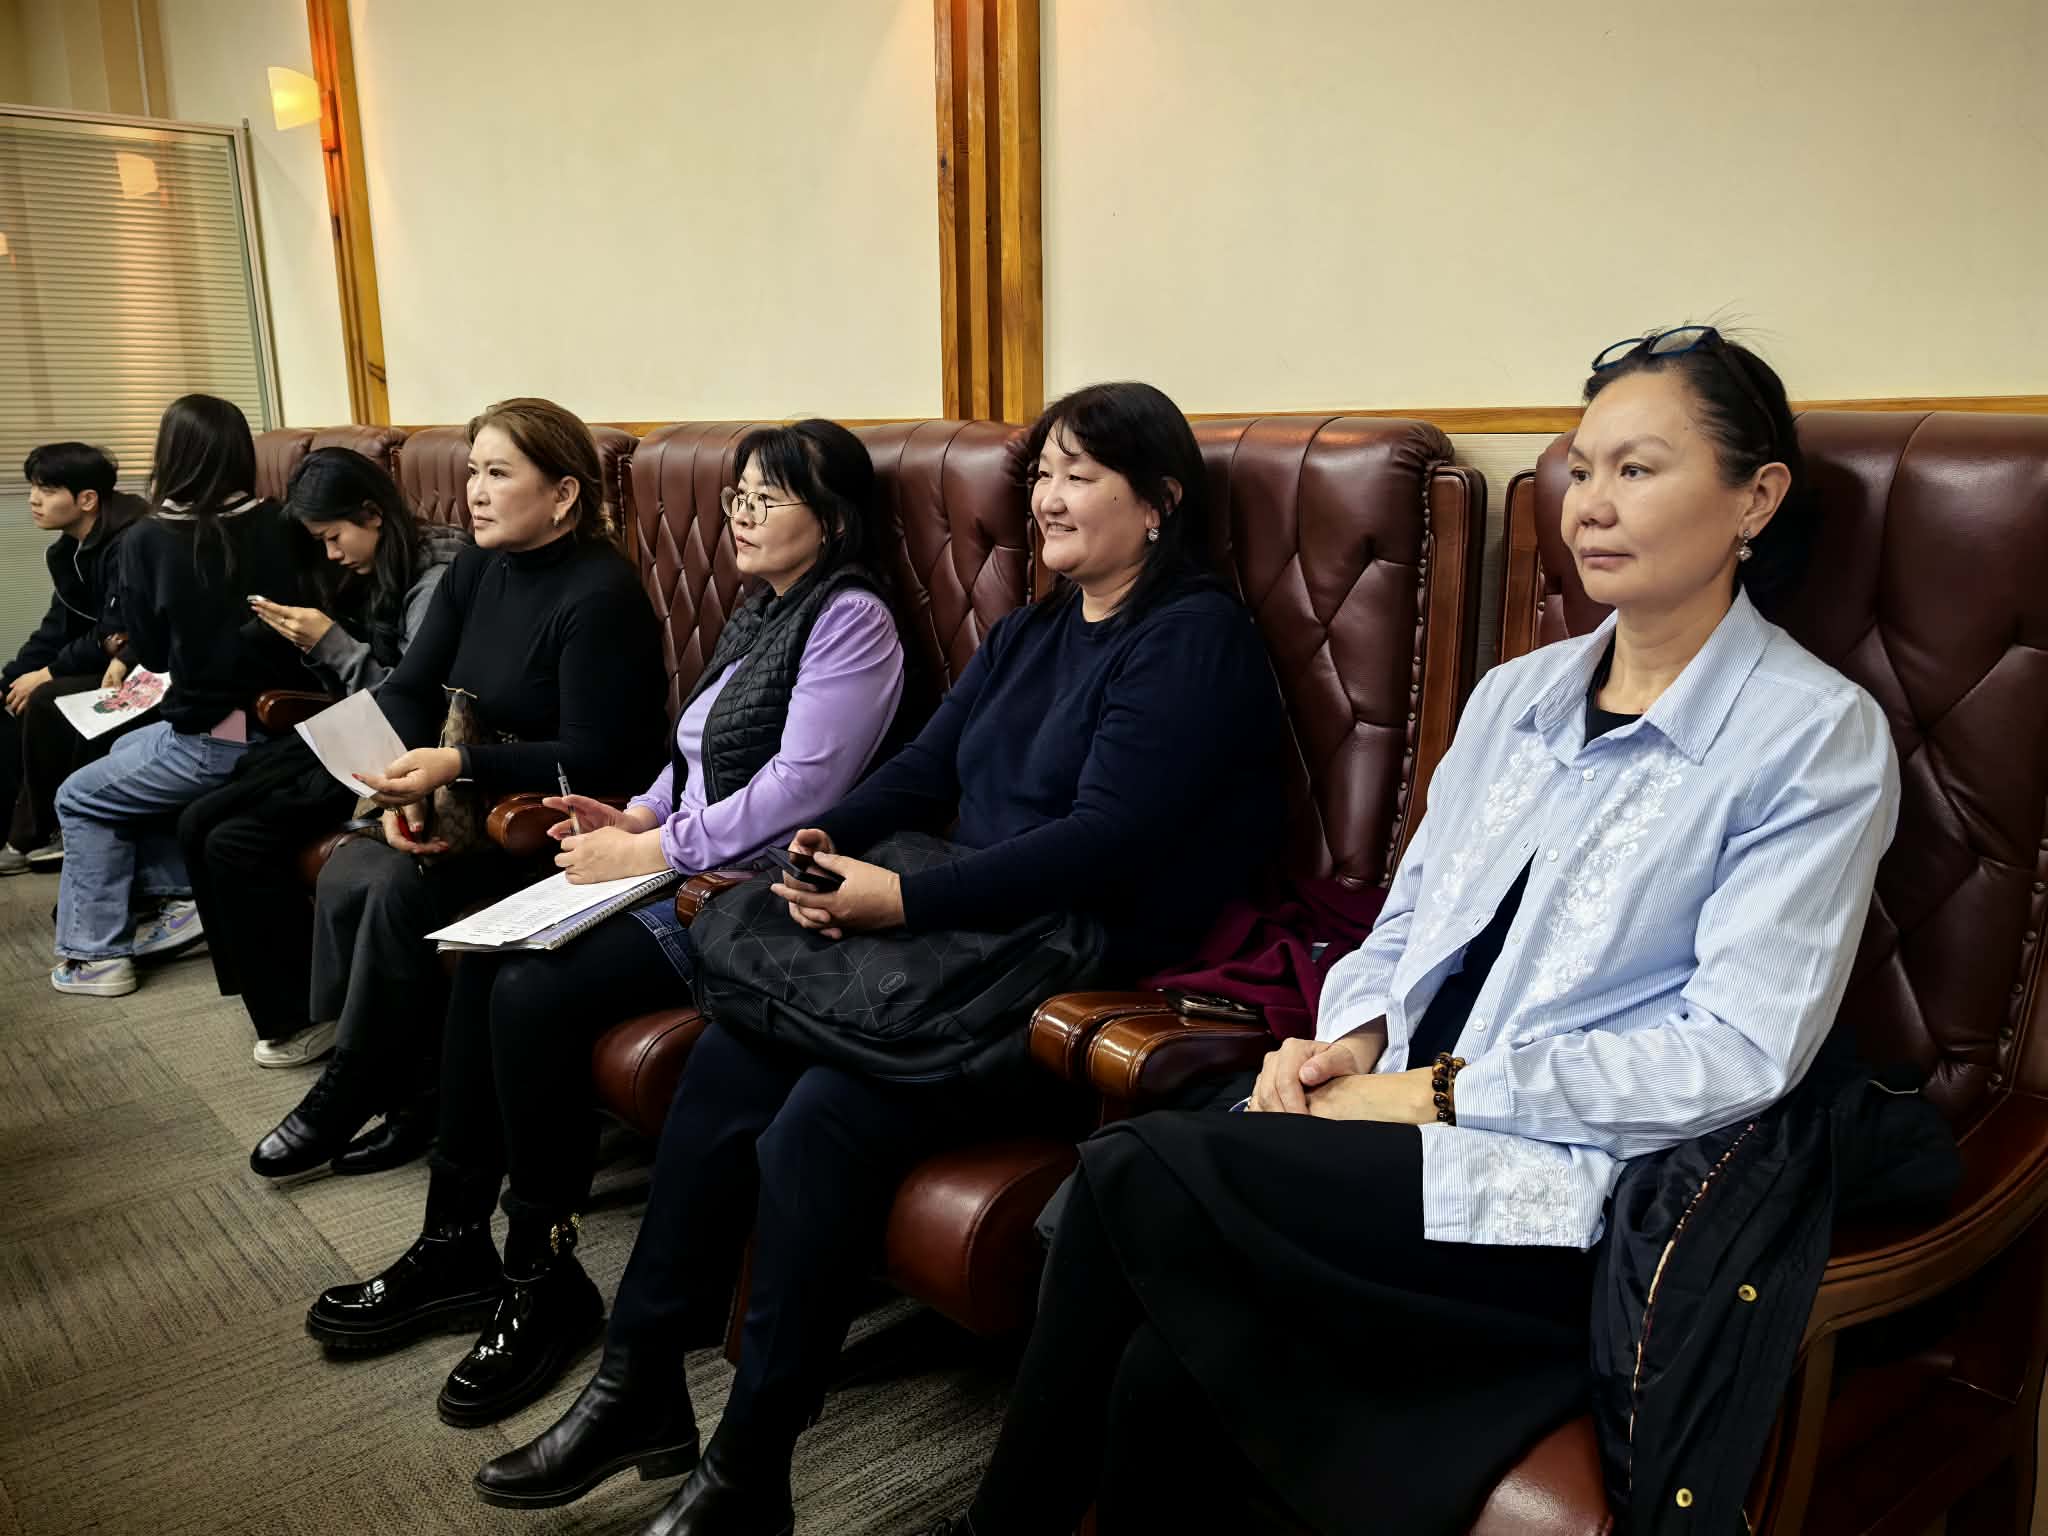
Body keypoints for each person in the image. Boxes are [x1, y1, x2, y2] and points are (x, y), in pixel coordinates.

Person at [925, 330, 1903, 1536]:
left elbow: (1736, 1055)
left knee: (1131, 1174)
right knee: (1155, 1376)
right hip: (1381, 1137)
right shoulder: (1516, 695)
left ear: (1754, 498)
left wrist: (1434, 1096)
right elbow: (1402, 927)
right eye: (1580, 468)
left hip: (1559, 1196)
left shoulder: (1810, 736)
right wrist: (1345, 1043)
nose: (1589, 505)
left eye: (1636, 471)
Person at [473, 381, 1289, 1531]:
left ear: (1157, 502)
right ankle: (636, 1380)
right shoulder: (1033, 629)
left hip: (1076, 969)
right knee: (730, 1053)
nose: (1047, 499)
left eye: (1080, 476)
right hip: (964, 945)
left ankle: (748, 1468)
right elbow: (921, 771)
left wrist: (902, 899)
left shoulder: (1191, 637)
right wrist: (822, 844)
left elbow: (1102, 841)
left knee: (820, 1117)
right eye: (1042, 474)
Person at [303, 419, 912, 1429]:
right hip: (684, 866)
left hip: (749, 899)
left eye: (766, 499)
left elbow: (803, 787)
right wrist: (635, 814)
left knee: (532, 991)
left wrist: (658, 848)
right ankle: (455, 1239)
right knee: (483, 955)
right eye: (736, 497)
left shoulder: (852, 620)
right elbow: (690, 756)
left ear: (835, 519)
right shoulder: (762, 608)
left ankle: (542, 1272)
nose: (740, 516)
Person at [248, 397, 666, 1181]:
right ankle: (411, 1094)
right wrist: (400, 789)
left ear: (563, 495)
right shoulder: (477, 566)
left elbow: (596, 755)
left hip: (557, 826)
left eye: (498, 474)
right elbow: (411, 688)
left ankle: (353, 1091)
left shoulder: (600, 594)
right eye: (473, 471)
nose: (474, 492)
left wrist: (457, 768)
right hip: (470, 801)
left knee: (398, 887)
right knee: (358, 862)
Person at [176, 447, 468, 1070]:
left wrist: (332, 644)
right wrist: (313, 643)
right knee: (199, 816)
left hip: (399, 750)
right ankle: (267, 996)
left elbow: (411, 702)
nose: (332, 554)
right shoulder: (385, 566)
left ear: (372, 513)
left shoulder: (435, 578)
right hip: (359, 731)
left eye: (334, 537)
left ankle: (300, 1017)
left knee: (232, 839)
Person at [50, 395, 315, 998]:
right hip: (282, 722)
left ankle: (96, 956)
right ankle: (181, 890)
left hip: (216, 734)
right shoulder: (283, 521)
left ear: (170, 454)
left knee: (78, 797)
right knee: (123, 755)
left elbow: (154, 655)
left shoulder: (149, 538)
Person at [0, 442, 149, 876]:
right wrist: (14, 675)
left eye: (47, 490)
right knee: (11, 692)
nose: (33, 500)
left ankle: (39, 831)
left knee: (46, 698)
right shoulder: (68, 550)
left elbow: (116, 632)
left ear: (87, 499)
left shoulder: (133, 538)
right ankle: (16, 825)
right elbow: (59, 626)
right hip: (104, 662)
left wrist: (47, 673)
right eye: (33, 488)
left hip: (145, 668)